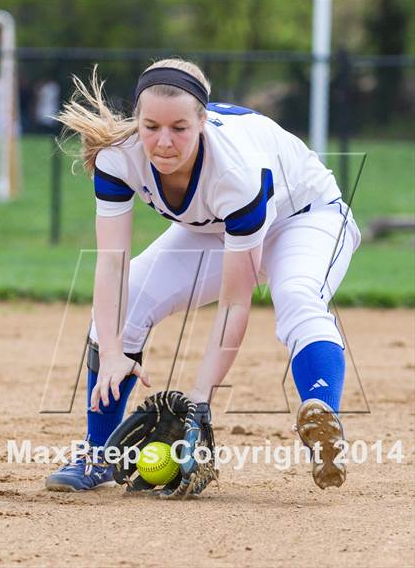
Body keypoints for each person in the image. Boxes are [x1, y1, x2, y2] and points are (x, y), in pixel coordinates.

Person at [45, 58, 361, 493]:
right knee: (127, 301)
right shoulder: (120, 158)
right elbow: (112, 263)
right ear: (137, 119)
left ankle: (323, 419)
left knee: (297, 294)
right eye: (151, 125)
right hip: (214, 228)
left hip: (306, 217)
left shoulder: (236, 173)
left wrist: (200, 399)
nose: (163, 141)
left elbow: (235, 302)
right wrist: (115, 351)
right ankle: (99, 454)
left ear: (203, 122)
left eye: (179, 127)